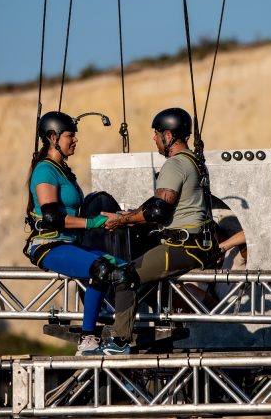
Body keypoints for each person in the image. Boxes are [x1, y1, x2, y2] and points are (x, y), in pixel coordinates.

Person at [86, 107, 217, 355]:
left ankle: (120, 342)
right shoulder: (194, 162)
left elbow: (158, 211)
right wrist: (129, 216)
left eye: (157, 134)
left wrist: (120, 221)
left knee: (124, 275)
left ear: (168, 135)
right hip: (196, 244)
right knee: (142, 270)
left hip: (183, 246)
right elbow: (159, 205)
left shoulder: (175, 164)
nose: (154, 139)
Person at [23, 111, 123, 355]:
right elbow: (52, 218)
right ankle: (87, 340)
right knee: (101, 268)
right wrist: (92, 224)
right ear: (52, 138)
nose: (75, 140)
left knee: (124, 268)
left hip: (71, 244)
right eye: (70, 136)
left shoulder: (64, 170)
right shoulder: (45, 171)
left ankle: (121, 334)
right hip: (49, 245)